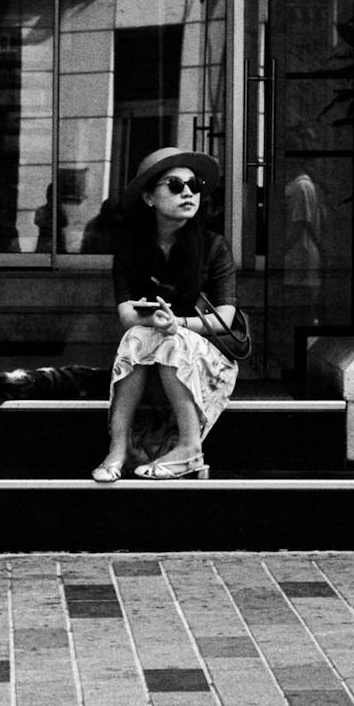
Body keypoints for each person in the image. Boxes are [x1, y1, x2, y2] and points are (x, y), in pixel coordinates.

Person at [92, 147, 239, 482]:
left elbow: (225, 320)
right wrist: (155, 322)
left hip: (207, 362)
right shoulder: (131, 248)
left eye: (194, 185)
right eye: (174, 185)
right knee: (139, 335)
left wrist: (178, 324)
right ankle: (118, 449)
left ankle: (189, 448)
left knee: (171, 339)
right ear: (149, 198)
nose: (188, 192)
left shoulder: (214, 246)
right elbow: (128, 316)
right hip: (148, 356)